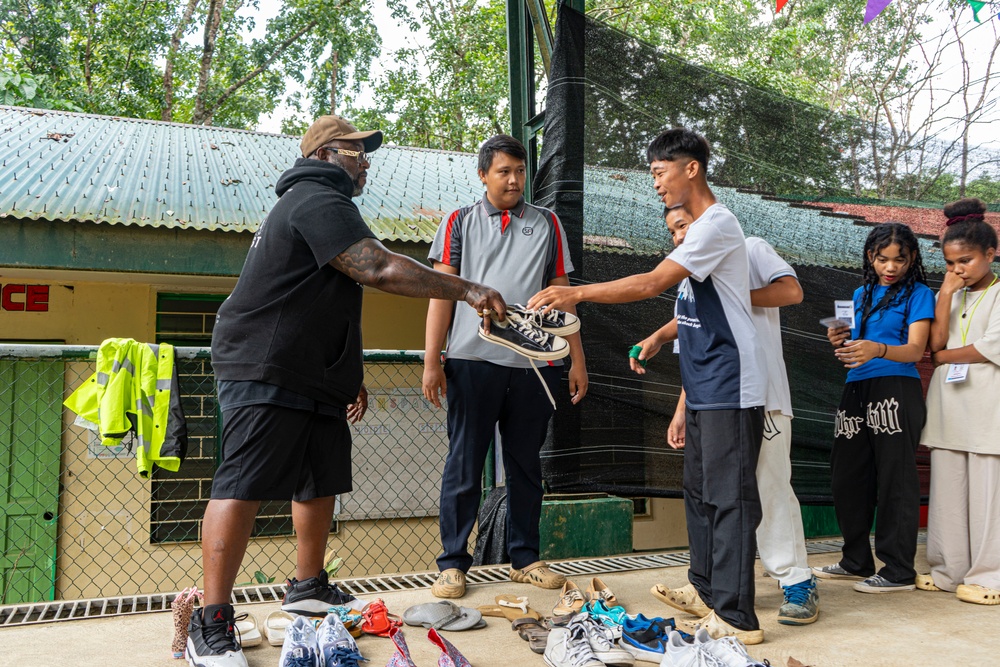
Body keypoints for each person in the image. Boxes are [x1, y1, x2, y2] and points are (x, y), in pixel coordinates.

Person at [189, 115, 507, 667]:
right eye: (359, 151)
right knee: (242, 483)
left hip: (313, 369)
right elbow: (379, 269)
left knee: (319, 477)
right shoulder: (314, 196)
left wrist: (348, 370)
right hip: (266, 361)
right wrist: (469, 289)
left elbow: (332, 297)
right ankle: (210, 620)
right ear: (329, 153)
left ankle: (308, 585)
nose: (367, 161)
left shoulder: (326, 203)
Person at [528, 128, 767, 645]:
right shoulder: (700, 234)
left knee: (730, 499)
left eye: (660, 172)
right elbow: (695, 309)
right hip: (703, 385)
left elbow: (651, 282)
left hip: (732, 384)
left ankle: (738, 617)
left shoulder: (717, 224)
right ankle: (707, 593)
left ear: (691, 169)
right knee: (700, 493)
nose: (655, 183)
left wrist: (578, 293)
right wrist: (661, 338)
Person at [422, 134, 588, 599]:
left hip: (535, 366)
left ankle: (525, 559)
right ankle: (453, 564)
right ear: (483, 175)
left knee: (525, 464)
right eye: (504, 172)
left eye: (519, 171)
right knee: (464, 462)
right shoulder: (458, 222)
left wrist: (576, 358)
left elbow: (563, 295)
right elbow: (441, 293)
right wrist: (432, 360)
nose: (514, 179)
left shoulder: (548, 223)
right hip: (471, 362)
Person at [635, 207, 819, 626]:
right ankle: (712, 590)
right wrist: (682, 403)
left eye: (684, 226)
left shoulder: (749, 249)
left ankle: (798, 581)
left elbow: (791, 291)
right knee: (714, 495)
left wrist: (734, 292)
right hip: (717, 400)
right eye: (673, 232)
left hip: (762, 395)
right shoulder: (692, 276)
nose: (679, 237)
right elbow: (702, 347)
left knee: (769, 487)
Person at [816, 222, 934, 594]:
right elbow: (849, 346)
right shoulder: (859, 293)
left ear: (912, 258)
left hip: (897, 386)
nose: (891, 266)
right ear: (871, 256)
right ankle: (855, 560)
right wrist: (839, 338)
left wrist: (877, 348)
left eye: (899, 259)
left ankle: (898, 570)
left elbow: (916, 350)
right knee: (848, 475)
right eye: (883, 259)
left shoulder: (919, 293)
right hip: (856, 386)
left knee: (895, 478)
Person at [918, 198, 1000, 605]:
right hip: (950, 406)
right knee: (948, 493)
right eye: (950, 264)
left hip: (989, 410)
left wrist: (947, 354)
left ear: (991, 253)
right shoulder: (951, 293)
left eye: (965, 261)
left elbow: (988, 348)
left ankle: (990, 578)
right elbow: (933, 343)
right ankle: (949, 570)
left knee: (988, 497)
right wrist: (947, 293)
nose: (958, 270)